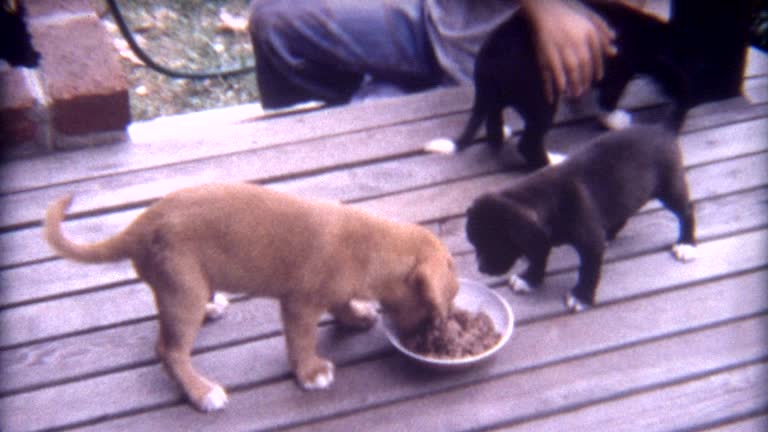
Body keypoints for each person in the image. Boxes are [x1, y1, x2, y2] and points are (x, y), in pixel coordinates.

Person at [248, 0, 620, 110]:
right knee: (272, 22)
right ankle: (360, 92)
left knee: (346, 159)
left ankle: (372, 100)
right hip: (434, 24)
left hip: (490, 93)